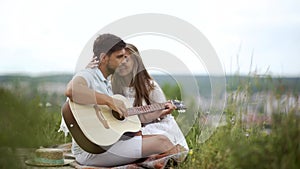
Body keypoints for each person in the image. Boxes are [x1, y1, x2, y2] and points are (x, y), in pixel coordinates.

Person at [62, 33, 180, 167]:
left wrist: (158, 112)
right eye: (119, 57)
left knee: (154, 141)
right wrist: (109, 100)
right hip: (92, 151)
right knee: (162, 142)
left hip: (105, 145)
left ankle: (151, 162)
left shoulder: (106, 82)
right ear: (104, 58)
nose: (122, 61)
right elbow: (71, 90)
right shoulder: (88, 74)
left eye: (125, 57)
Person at [111, 43, 189, 151]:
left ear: (136, 62)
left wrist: (162, 112)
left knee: (141, 137)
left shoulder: (150, 87)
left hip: (150, 128)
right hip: (125, 130)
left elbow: (160, 118)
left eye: (126, 59)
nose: (122, 63)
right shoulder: (111, 87)